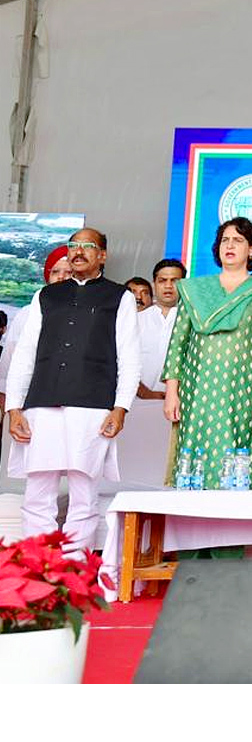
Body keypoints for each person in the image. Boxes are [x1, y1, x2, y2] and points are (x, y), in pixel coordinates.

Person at [6, 228, 140, 555]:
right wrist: (14, 408)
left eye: (87, 246)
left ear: (102, 256)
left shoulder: (118, 297)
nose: (78, 252)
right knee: (38, 490)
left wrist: (121, 408)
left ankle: (75, 565)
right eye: (73, 246)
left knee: (84, 491)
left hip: (93, 405)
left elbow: (130, 357)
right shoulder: (46, 296)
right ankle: (39, 562)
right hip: (42, 402)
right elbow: (24, 355)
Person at [163, 218, 252, 491]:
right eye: (225, 240)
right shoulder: (194, 290)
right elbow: (178, 343)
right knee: (193, 463)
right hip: (196, 391)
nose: (230, 245)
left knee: (235, 463)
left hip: (242, 392)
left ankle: (233, 529)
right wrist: (172, 391)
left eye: (238, 240)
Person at [0, 246, 72, 418]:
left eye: (68, 272)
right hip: (27, 400)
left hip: (72, 402)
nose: (61, 277)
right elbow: (10, 356)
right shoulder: (27, 312)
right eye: (55, 272)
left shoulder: (89, 312)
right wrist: (4, 395)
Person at [136, 258, 186, 401]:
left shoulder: (194, 322)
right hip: (137, 402)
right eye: (163, 280)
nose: (168, 286)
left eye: (175, 281)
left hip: (181, 403)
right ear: (154, 284)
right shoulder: (136, 320)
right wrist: (145, 393)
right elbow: (122, 362)